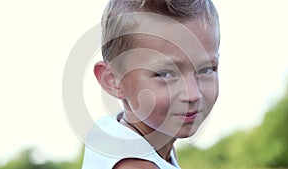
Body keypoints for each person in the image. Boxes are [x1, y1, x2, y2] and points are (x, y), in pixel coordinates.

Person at [82, 0, 220, 168]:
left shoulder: (111, 131)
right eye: (165, 74)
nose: (193, 94)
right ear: (113, 81)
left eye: (206, 69)